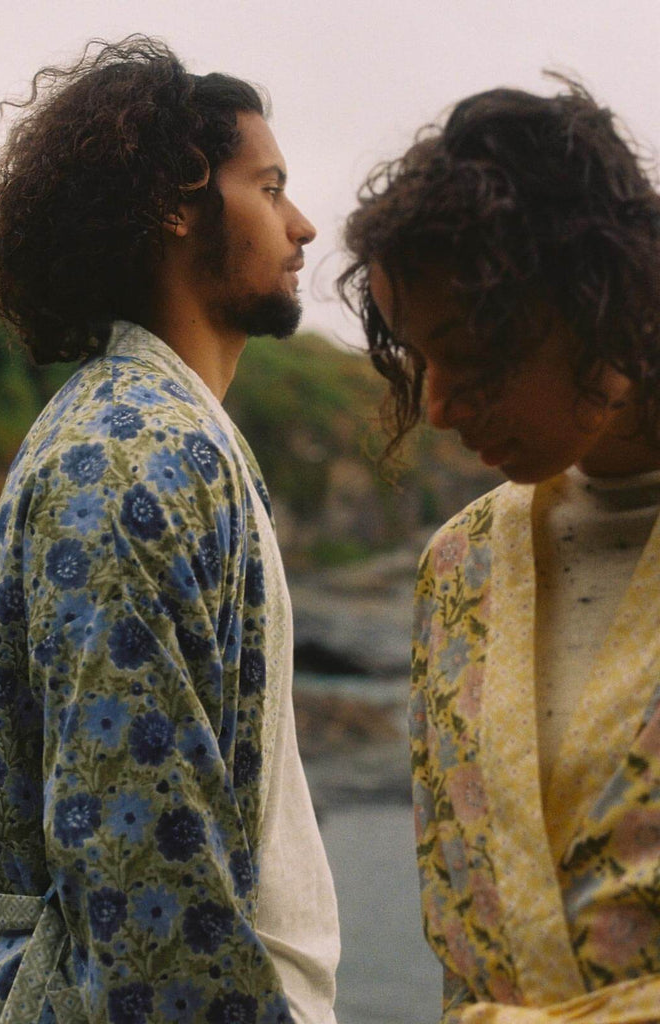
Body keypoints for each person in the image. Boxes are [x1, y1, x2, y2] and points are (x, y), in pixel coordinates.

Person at [0, 36, 339, 1024]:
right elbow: (147, 885)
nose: (303, 225)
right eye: (269, 188)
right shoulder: (132, 455)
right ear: (176, 205)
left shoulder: (163, 433)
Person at [339, 77, 660, 1022]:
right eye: (416, 359)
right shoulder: (459, 569)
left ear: (600, 297)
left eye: (472, 354)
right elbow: (470, 939)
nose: (436, 407)